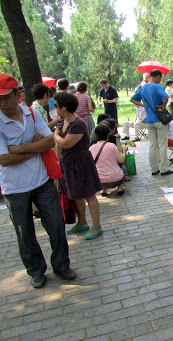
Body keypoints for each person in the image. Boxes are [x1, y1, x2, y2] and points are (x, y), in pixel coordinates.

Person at [0, 74, 77, 289]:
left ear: (17, 94)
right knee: (25, 233)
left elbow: (50, 140)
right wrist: (35, 147)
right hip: (14, 188)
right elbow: (4, 160)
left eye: (6, 97)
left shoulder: (31, 114)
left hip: (42, 181)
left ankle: (62, 265)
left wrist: (17, 148)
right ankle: (36, 270)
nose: (3, 103)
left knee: (56, 225)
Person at [53, 92, 103, 240]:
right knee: (74, 194)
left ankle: (97, 225)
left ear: (64, 107)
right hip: (66, 163)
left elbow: (66, 143)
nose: (54, 108)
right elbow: (59, 145)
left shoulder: (78, 124)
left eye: (56, 105)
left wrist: (56, 137)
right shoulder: (62, 122)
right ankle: (82, 221)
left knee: (88, 194)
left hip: (80, 163)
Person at [131, 69, 173, 176]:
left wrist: (143, 105)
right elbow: (166, 97)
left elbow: (132, 99)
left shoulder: (143, 87)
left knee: (152, 145)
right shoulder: (157, 86)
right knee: (162, 144)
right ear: (158, 76)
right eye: (160, 78)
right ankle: (164, 168)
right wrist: (163, 106)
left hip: (149, 121)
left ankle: (154, 169)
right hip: (159, 120)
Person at [89, 125, 128, 196]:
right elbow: (121, 160)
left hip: (99, 181)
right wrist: (124, 151)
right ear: (108, 135)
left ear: (96, 135)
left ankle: (103, 190)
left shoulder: (91, 148)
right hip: (116, 179)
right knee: (123, 167)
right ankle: (120, 187)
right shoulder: (111, 146)